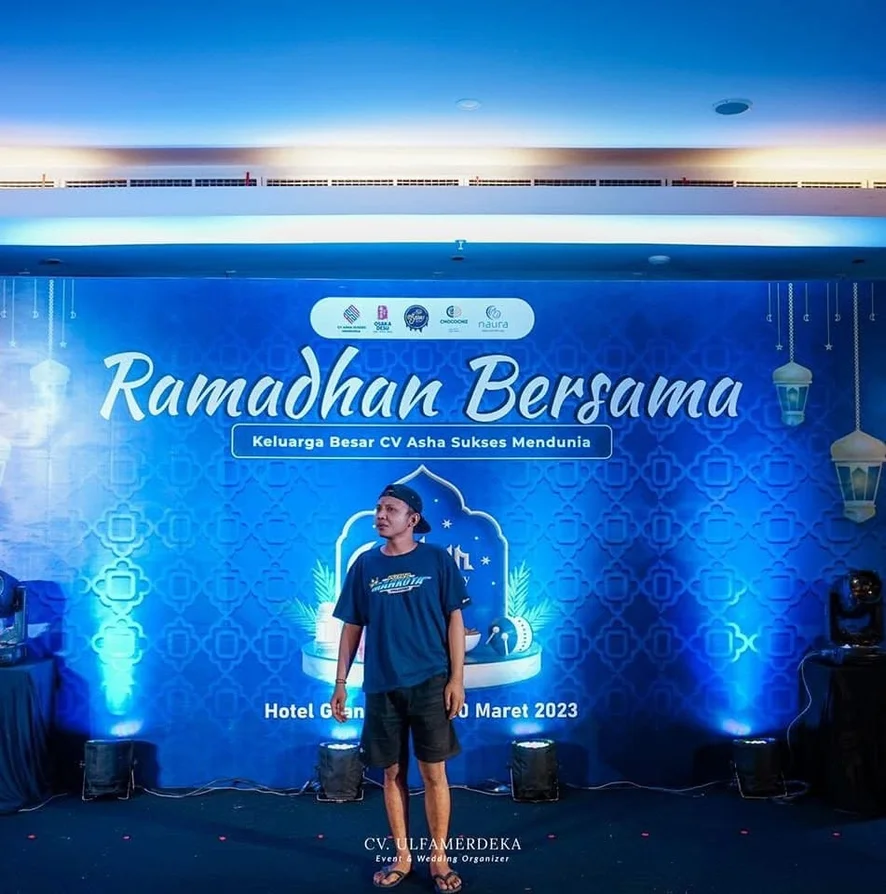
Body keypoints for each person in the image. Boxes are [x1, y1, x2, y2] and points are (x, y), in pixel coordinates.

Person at [330, 482, 469, 892]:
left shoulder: (437, 559)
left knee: (433, 773)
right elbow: (351, 627)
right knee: (391, 773)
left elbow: (455, 621)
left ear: (412, 519)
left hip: (430, 682)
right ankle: (403, 857)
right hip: (381, 685)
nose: (381, 514)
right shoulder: (365, 565)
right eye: (378, 508)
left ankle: (439, 859)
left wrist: (457, 679)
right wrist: (340, 682)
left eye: (390, 509)